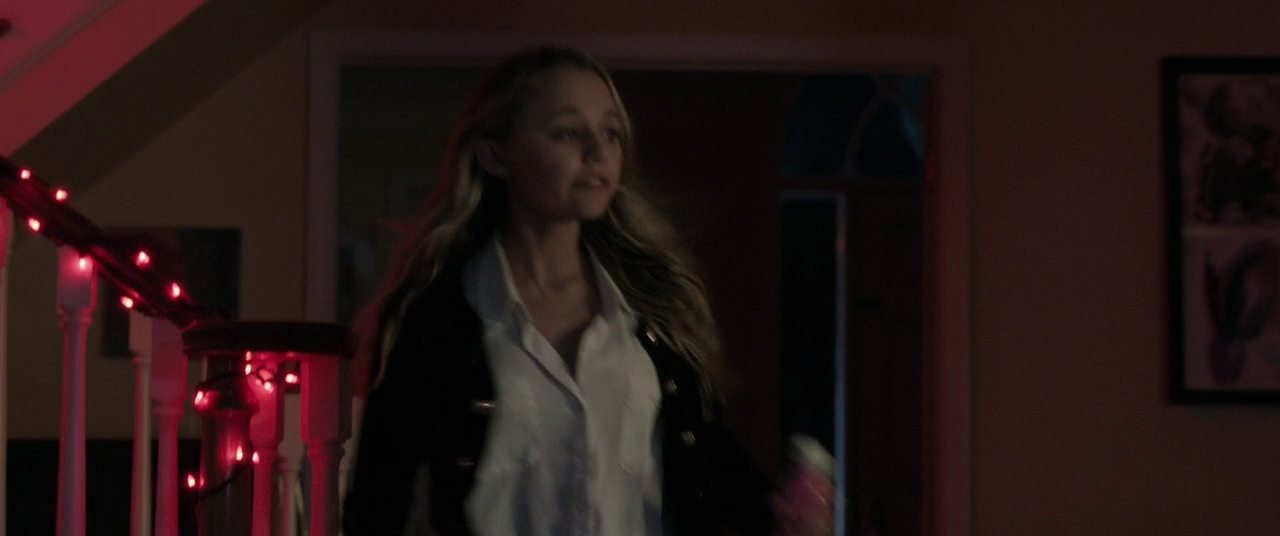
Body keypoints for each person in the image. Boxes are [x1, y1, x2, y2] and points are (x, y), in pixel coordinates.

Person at [342, 45, 829, 536]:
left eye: (610, 133)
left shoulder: (650, 317)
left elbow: (716, 476)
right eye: (568, 132)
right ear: (495, 155)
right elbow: (378, 506)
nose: (598, 153)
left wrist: (787, 516)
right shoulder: (440, 320)